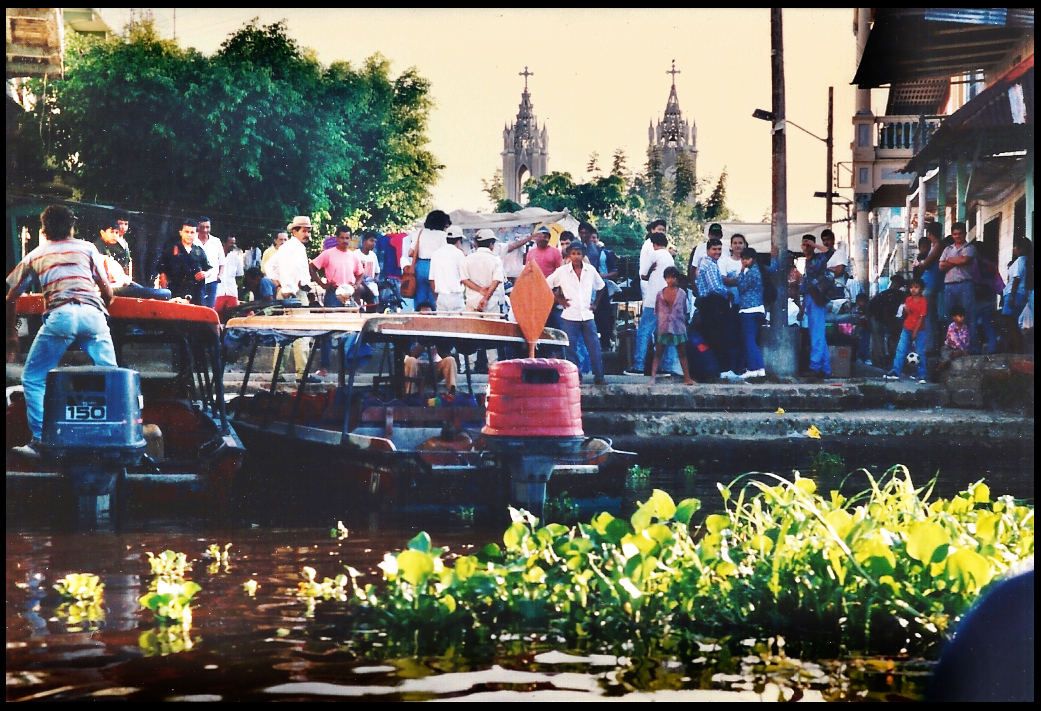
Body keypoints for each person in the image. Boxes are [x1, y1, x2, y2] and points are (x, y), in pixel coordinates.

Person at [6, 205, 118, 458]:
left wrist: (11, 335)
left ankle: (41, 442)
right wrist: (99, 310)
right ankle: (114, 437)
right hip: (94, 316)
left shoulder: (36, 255)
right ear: (71, 226)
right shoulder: (89, 248)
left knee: (34, 378)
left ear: (44, 229)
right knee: (112, 376)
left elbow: (10, 296)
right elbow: (108, 292)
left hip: (60, 317)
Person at [266, 216, 319, 383]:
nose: (307, 234)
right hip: (295, 294)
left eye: (308, 230)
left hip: (287, 292)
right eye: (304, 230)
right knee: (301, 333)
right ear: (295, 231)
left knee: (284, 334)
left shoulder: (286, 247)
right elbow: (294, 273)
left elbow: (269, 266)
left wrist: (279, 286)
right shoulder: (294, 247)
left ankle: (277, 373)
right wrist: (288, 287)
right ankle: (302, 374)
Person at [547, 242, 606, 385]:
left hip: (587, 314)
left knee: (594, 346)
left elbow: (601, 286)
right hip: (570, 315)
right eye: (573, 254)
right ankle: (575, 376)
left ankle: (599, 376)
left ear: (583, 255)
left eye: (579, 253)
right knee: (570, 348)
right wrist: (559, 300)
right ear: (568, 255)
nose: (576, 257)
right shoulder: (562, 272)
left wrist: (596, 304)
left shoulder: (590, 270)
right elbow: (546, 284)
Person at [626, 231, 677, 376]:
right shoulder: (669, 257)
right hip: (667, 298)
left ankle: (639, 366)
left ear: (653, 244)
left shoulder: (653, 254)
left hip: (653, 299)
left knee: (644, 332)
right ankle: (665, 367)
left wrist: (649, 272)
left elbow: (642, 275)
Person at [95, 217, 171, 300]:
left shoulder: (112, 247)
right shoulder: (97, 248)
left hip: (120, 283)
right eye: (112, 232)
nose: (115, 235)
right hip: (108, 287)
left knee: (163, 293)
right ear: (102, 233)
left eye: (116, 232)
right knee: (160, 293)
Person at [694, 237, 733, 378]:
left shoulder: (711, 263)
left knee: (712, 336)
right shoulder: (709, 264)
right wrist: (727, 293)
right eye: (714, 249)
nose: (717, 252)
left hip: (709, 303)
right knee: (717, 336)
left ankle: (714, 369)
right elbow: (714, 287)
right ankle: (720, 370)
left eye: (719, 249)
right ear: (707, 250)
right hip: (712, 303)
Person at [650, 266, 695, 385]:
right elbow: (657, 311)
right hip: (664, 326)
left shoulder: (682, 294)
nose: (671, 280)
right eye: (668, 278)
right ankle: (652, 378)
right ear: (665, 279)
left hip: (678, 327)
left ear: (677, 279)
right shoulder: (660, 294)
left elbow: (684, 310)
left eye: (673, 278)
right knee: (658, 353)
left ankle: (687, 378)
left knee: (682, 353)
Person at [403, 303, 458, 395]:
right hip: (418, 368)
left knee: (450, 360)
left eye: (429, 315)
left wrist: (437, 340)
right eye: (424, 315)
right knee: (411, 361)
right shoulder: (412, 330)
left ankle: (452, 393)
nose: (427, 318)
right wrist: (423, 342)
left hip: (434, 368)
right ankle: (410, 395)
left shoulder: (437, 329)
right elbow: (412, 355)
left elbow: (444, 355)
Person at [939, 222, 978, 353]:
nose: (957, 236)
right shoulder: (947, 249)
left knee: (968, 315)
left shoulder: (970, 247)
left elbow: (965, 261)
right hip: (949, 285)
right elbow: (941, 267)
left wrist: (949, 260)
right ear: (952, 235)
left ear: (965, 233)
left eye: (960, 233)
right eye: (955, 234)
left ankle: (970, 349)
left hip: (965, 284)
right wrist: (957, 260)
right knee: (951, 316)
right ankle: (952, 348)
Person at [799, 235, 832, 378]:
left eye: (808, 245)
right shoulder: (806, 263)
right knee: (818, 335)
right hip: (810, 299)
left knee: (817, 335)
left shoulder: (820, 258)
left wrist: (814, 245)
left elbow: (828, 251)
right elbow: (806, 287)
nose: (806, 248)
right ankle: (826, 368)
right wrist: (802, 308)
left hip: (818, 299)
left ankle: (815, 366)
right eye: (804, 245)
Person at [885, 277, 929, 382]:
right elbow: (904, 315)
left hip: (919, 330)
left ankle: (922, 374)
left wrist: (915, 331)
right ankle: (896, 371)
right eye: (911, 287)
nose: (913, 289)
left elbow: (921, 317)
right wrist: (904, 309)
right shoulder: (908, 300)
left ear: (921, 289)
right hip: (906, 328)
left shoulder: (923, 301)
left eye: (916, 287)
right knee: (901, 350)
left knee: (920, 352)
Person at [156, 219, 211, 303]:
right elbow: (162, 271)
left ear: (196, 234)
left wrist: (205, 274)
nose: (189, 235)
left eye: (192, 233)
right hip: (176, 291)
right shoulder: (171, 250)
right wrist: (165, 292)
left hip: (196, 293)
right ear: (181, 232)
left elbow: (209, 268)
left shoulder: (199, 251)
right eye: (186, 232)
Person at [408, 210, 451, 310]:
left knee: (420, 297)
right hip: (436, 267)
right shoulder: (443, 235)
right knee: (435, 298)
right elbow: (445, 254)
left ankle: (420, 319)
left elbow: (410, 252)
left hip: (420, 266)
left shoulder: (420, 232)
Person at [719, 233, 748, 377]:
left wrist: (735, 280)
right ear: (731, 245)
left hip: (746, 306)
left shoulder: (749, 262)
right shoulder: (724, 261)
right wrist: (742, 280)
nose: (738, 245)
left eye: (740, 243)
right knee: (730, 337)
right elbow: (724, 280)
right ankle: (730, 368)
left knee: (743, 338)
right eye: (735, 243)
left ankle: (741, 368)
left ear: (744, 245)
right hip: (730, 305)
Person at [736, 247, 767, 379]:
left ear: (753, 259)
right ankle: (758, 368)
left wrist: (741, 273)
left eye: (746, 259)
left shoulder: (750, 273)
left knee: (749, 340)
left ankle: (755, 368)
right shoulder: (759, 270)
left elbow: (741, 287)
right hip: (759, 308)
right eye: (742, 259)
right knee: (752, 340)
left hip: (748, 309)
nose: (744, 261)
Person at [868, 274, 907, 371]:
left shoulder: (895, 293)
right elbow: (887, 311)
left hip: (878, 314)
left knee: (878, 339)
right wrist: (891, 326)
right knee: (878, 339)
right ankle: (879, 364)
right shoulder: (897, 295)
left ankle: (881, 362)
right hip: (875, 314)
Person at [591, 230, 620, 350]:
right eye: (590, 237)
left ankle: (605, 344)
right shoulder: (580, 253)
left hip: (602, 290)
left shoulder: (605, 254)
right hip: (587, 291)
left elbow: (615, 272)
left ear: (597, 239)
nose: (592, 240)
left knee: (604, 317)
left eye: (594, 237)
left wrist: (602, 276)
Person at [1003, 238, 1031, 352]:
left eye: (1015, 246)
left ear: (1020, 248)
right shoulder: (1027, 261)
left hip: (1015, 293)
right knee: (1014, 324)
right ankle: (1015, 349)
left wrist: (1011, 297)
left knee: (1011, 323)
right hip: (1019, 294)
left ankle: (1018, 350)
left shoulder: (1021, 261)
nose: (1014, 249)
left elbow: (1016, 279)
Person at [428, 226, 466, 312]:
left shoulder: (436, 253)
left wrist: (436, 297)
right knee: (457, 324)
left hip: (441, 296)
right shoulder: (459, 254)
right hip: (456, 296)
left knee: (442, 324)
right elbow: (464, 277)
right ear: (459, 240)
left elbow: (432, 279)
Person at [194, 216, 225, 309]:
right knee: (199, 307)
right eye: (202, 227)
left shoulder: (216, 241)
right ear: (197, 228)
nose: (205, 230)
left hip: (212, 281)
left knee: (210, 308)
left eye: (207, 227)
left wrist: (219, 275)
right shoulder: (193, 241)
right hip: (197, 280)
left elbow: (222, 262)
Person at [214, 234, 244, 320]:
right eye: (231, 243)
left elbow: (239, 275)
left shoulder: (235, 258)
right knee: (216, 317)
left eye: (234, 243)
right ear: (223, 243)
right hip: (218, 292)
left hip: (231, 292)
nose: (233, 246)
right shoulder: (215, 256)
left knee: (232, 317)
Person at [935, 305, 970, 373]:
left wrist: (964, 350)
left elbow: (966, 340)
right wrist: (963, 351)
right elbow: (955, 340)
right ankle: (937, 370)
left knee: (957, 353)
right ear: (954, 317)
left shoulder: (965, 328)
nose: (962, 318)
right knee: (945, 359)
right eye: (960, 316)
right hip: (948, 347)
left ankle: (953, 357)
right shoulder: (952, 327)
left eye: (963, 316)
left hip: (959, 349)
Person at [852, 293, 871, 365]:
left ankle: (866, 358)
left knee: (865, 344)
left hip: (865, 329)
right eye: (860, 301)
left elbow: (868, 320)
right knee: (857, 343)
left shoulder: (867, 310)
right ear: (857, 302)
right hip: (856, 328)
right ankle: (858, 357)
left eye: (864, 301)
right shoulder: (854, 310)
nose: (862, 303)